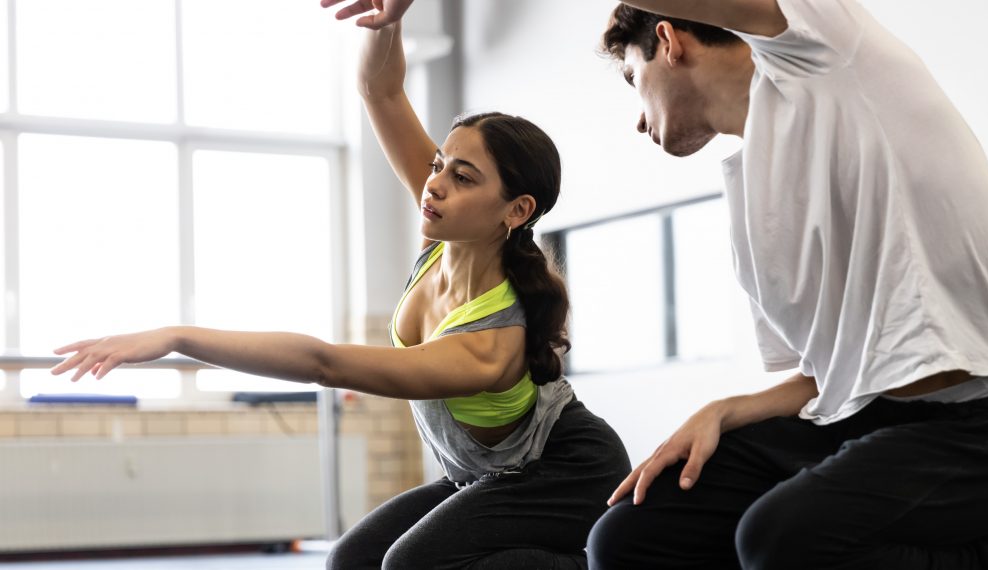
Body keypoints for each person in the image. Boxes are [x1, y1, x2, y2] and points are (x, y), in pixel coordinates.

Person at [324, 1, 988, 569]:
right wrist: (726, 409)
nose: (637, 119)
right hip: (857, 422)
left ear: (669, 40)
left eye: (633, 81)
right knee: (627, 538)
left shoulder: (827, 55)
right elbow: (823, 378)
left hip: (980, 424)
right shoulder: (752, 199)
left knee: (777, 540)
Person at [52, 18, 630, 570]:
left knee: (414, 563)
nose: (434, 184)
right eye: (438, 164)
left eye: (462, 176)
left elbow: (322, 363)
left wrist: (179, 337)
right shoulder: (445, 233)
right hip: (486, 473)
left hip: (568, 472)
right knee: (353, 560)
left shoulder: (490, 345)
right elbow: (381, 90)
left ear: (517, 210)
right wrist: (387, 21)